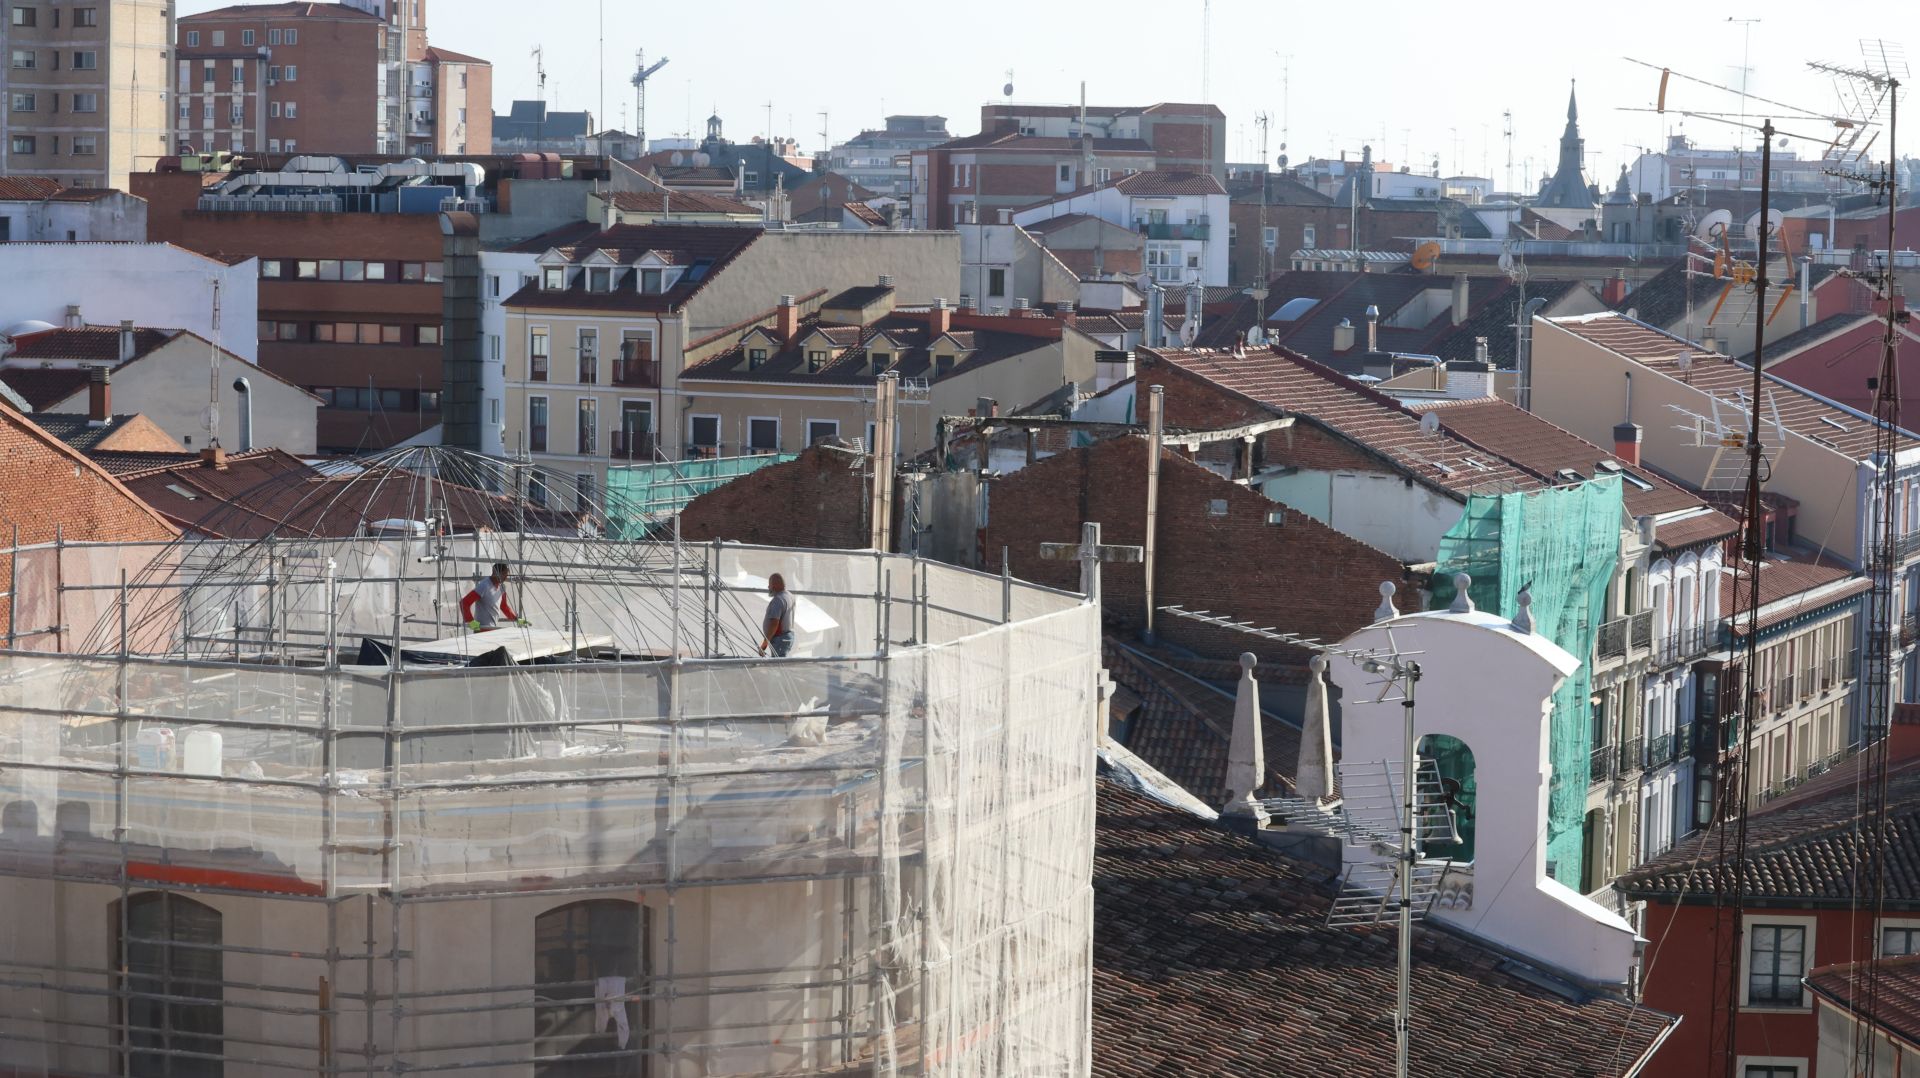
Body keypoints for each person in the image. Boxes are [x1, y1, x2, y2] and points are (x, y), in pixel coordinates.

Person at [461, 563, 528, 632]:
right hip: (482, 629)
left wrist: (517, 619)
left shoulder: (502, 587)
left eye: (506, 575)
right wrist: (471, 622)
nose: (505, 578)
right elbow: (464, 603)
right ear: (495, 572)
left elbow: (504, 606)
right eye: (504, 574)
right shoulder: (484, 586)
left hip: (493, 629)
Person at [758, 573, 797, 657]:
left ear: (775, 585)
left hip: (780, 639)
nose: (768, 587)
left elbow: (774, 624)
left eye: (770, 585)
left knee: (777, 666)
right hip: (787, 637)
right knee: (780, 663)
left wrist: (764, 645)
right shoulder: (790, 596)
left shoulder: (778, 600)